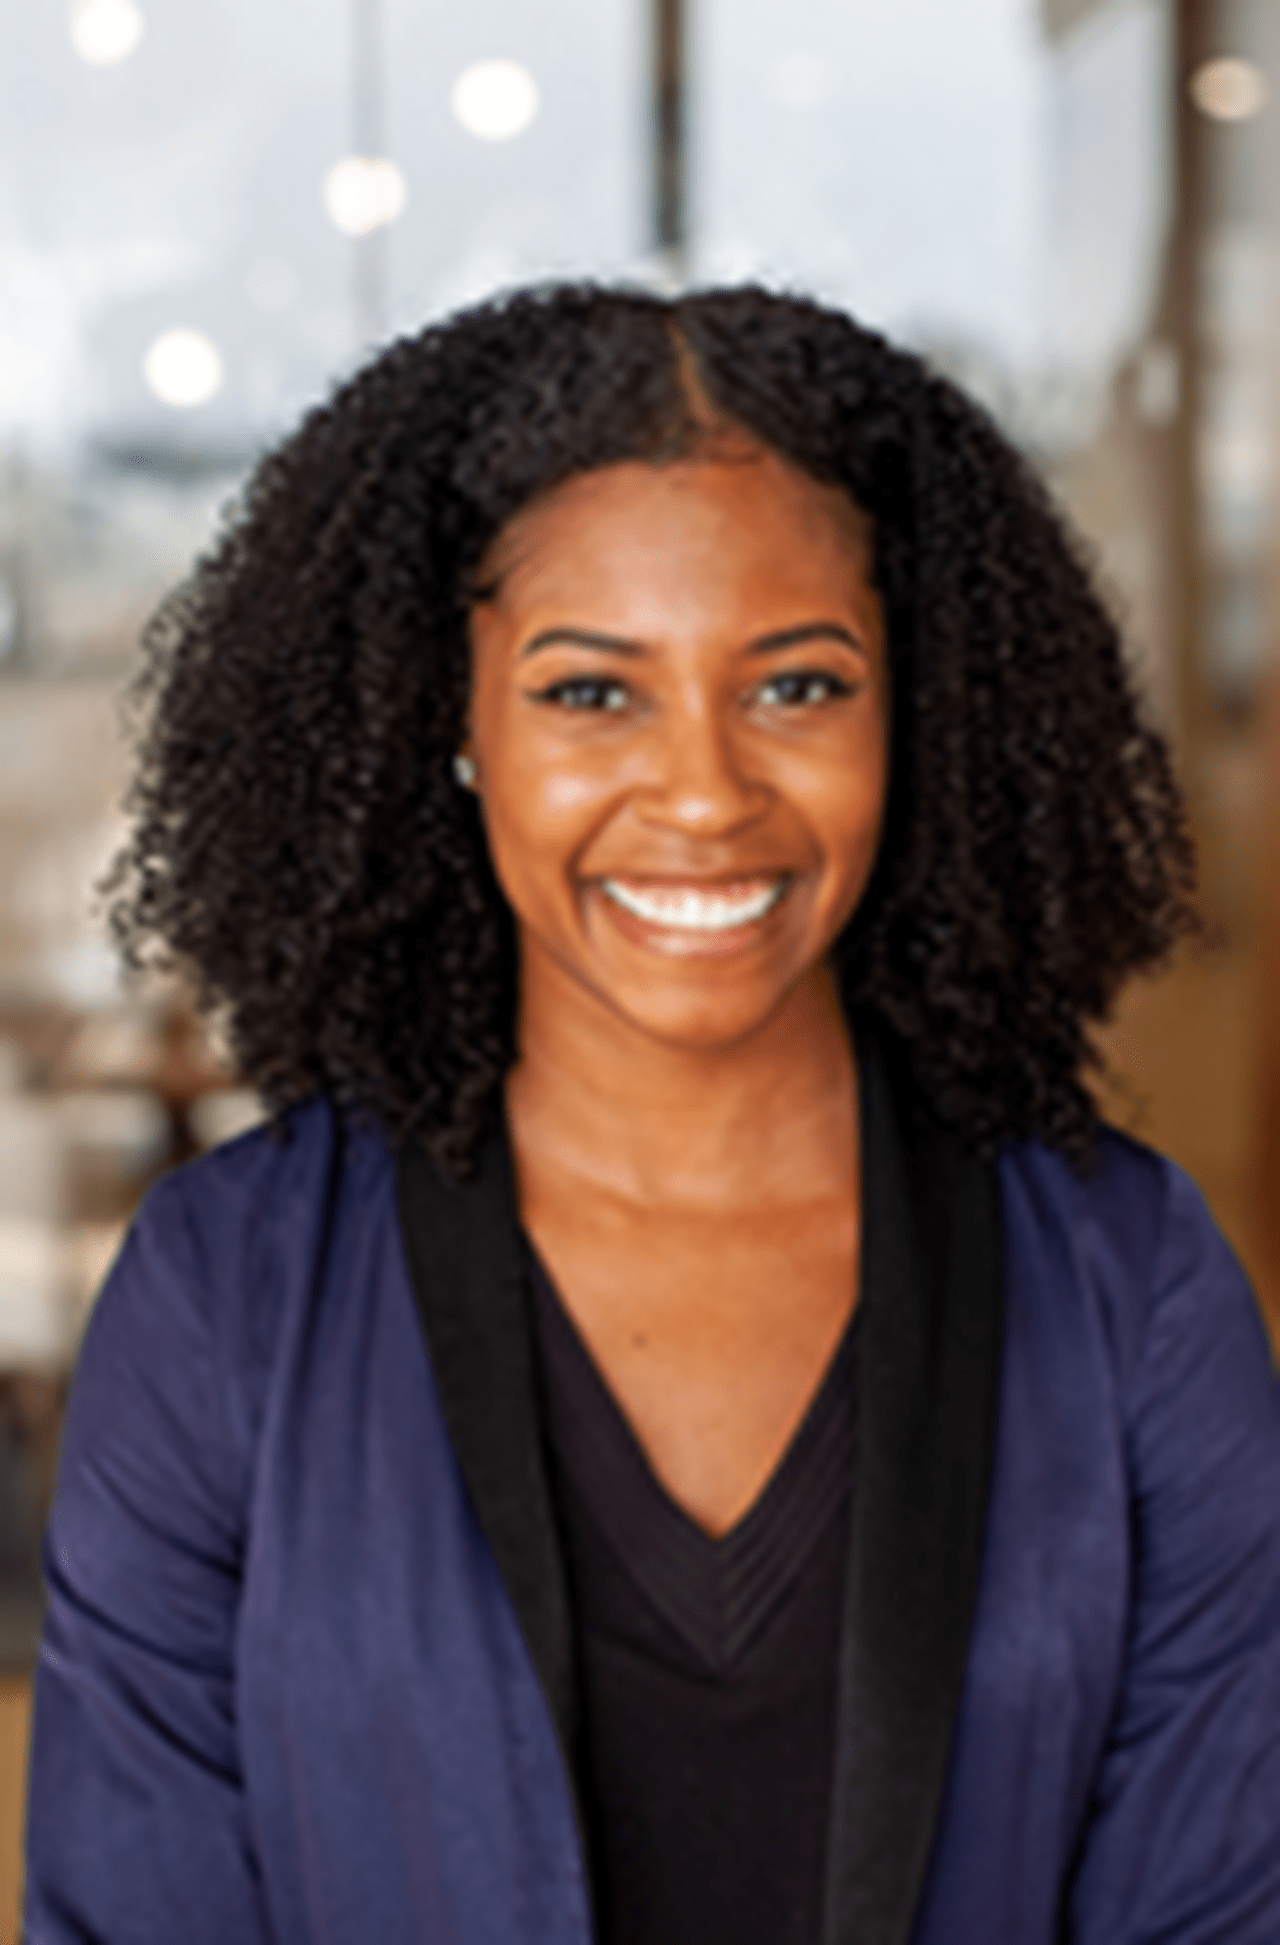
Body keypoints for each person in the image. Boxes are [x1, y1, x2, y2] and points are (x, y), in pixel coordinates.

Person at [24, 284, 1280, 1944]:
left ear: (916, 708)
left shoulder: (1132, 1287)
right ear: (452, 716)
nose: (704, 791)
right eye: (592, 693)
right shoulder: (228, 1294)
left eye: (799, 686)